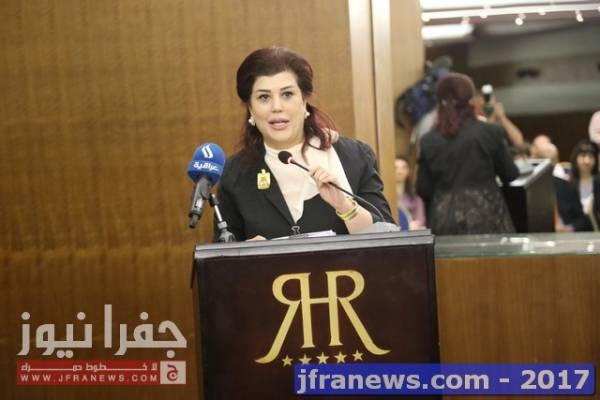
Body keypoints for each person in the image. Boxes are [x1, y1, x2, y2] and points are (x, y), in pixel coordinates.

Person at [215, 47, 394, 241]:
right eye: (264, 97)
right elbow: (223, 252)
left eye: (287, 94)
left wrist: (345, 206)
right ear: (250, 107)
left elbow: (390, 240)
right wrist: (244, 253)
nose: (277, 107)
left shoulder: (354, 157)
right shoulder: (234, 174)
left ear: (305, 100)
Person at [416, 73, 519, 235]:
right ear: (471, 99)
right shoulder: (489, 132)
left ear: (440, 101)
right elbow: (510, 174)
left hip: (443, 221)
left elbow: (423, 188)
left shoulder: (428, 140)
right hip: (487, 218)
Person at [569, 139, 600, 231]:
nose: (587, 161)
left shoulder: (598, 182)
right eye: (583, 156)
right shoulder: (568, 184)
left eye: (590, 156)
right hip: (575, 233)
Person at [394, 157, 425, 230]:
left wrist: (413, 225)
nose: (399, 171)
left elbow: (420, 220)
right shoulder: (385, 196)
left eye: (403, 167)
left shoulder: (415, 199)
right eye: (395, 168)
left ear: (408, 171)